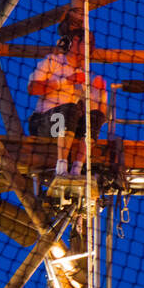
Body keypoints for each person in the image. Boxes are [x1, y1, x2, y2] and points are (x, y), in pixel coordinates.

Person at [26, 14, 107, 178]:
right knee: (70, 109)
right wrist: (65, 82)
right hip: (45, 123)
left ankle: (78, 167)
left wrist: (102, 94)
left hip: (69, 127)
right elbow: (32, 88)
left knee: (94, 117)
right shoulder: (53, 62)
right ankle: (61, 166)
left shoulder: (85, 75)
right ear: (76, 41)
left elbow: (99, 115)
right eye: (88, 43)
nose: (91, 48)